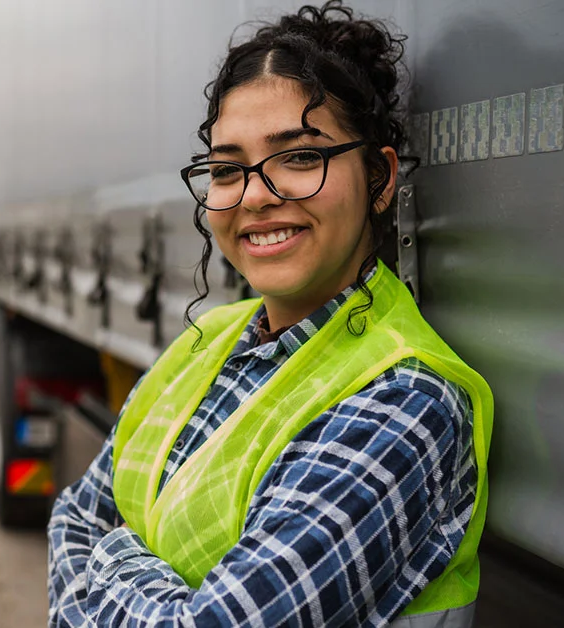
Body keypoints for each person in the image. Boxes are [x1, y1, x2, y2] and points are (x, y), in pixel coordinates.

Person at [47, 2, 493, 626]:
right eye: (228, 168)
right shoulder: (208, 341)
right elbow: (74, 514)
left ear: (380, 178)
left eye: (302, 157)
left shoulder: (405, 399)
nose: (256, 194)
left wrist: (111, 558)